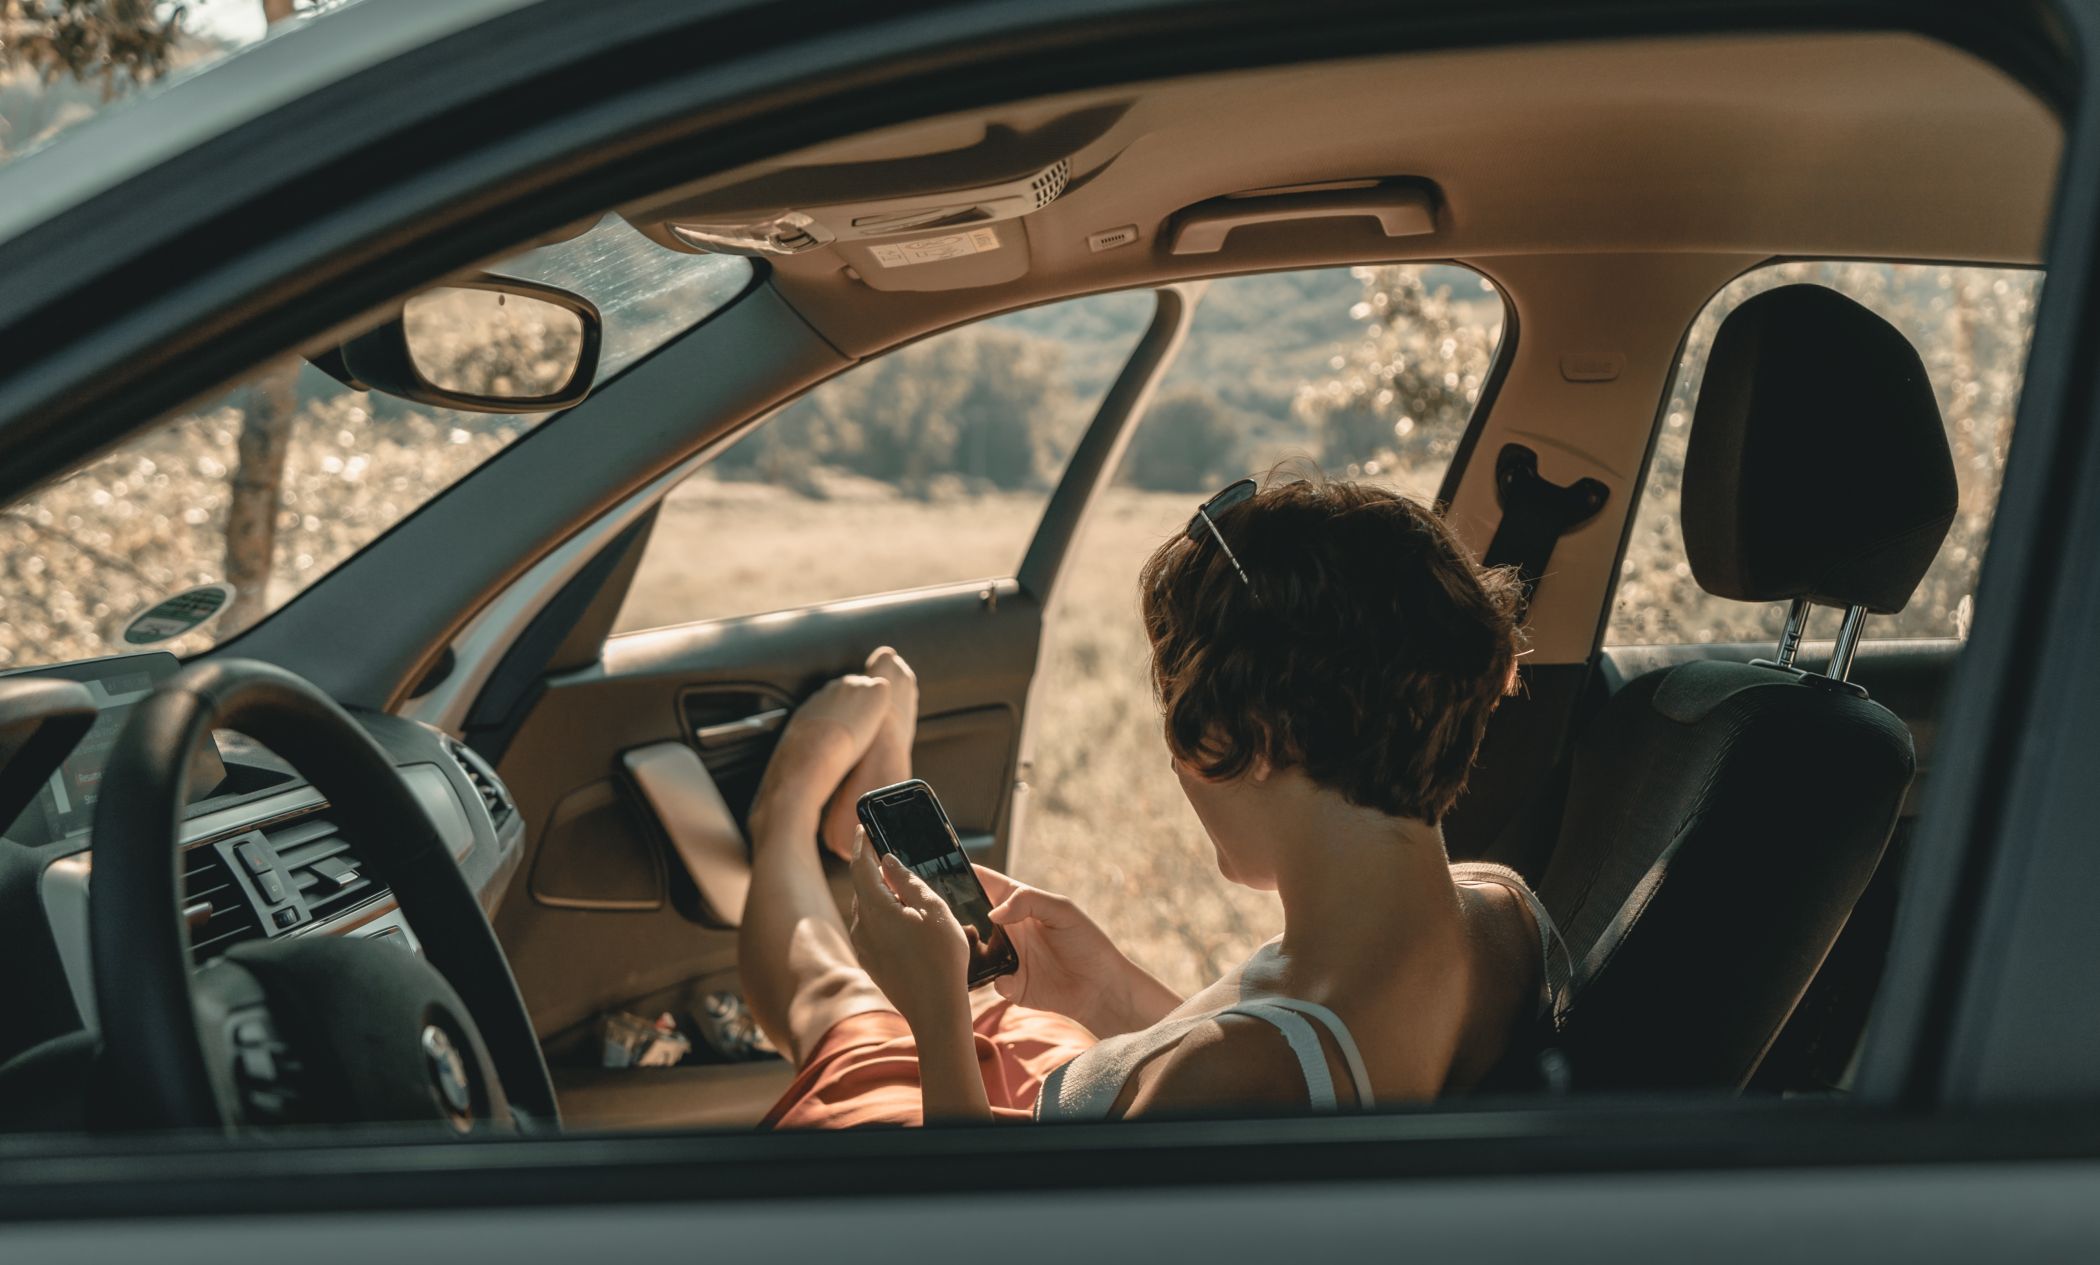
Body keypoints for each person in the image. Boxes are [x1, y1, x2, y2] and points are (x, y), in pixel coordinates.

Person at [738, 474, 1571, 1127]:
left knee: (846, 1013)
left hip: (982, 1155)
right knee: (926, 1010)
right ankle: (826, 825)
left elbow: (993, 1233)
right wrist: (1110, 992)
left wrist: (933, 1016)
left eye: (1179, 719)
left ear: (1244, 741)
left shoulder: (1234, 1077)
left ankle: (779, 827)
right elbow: (1288, 1101)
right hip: (1079, 1090)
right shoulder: (1503, 913)